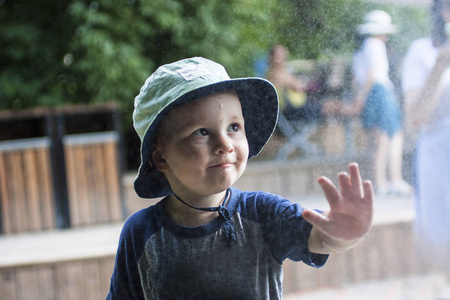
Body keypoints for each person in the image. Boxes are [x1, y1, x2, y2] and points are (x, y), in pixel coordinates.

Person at [106, 57, 374, 299]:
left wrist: (344, 233)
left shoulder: (261, 214)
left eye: (234, 127)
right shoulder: (141, 233)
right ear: (161, 157)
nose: (225, 143)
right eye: (201, 132)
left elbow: (319, 238)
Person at [401, 0, 450, 269]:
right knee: (442, 238)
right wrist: (440, 66)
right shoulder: (422, 51)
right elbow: (416, 117)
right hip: (440, 157)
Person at [351, 10, 411, 197]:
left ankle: (383, 182)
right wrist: (361, 98)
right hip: (379, 91)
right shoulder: (375, 45)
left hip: (372, 93)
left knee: (381, 140)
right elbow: (371, 75)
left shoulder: (361, 49)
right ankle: (393, 180)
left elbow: (356, 79)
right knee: (391, 137)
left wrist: (360, 97)